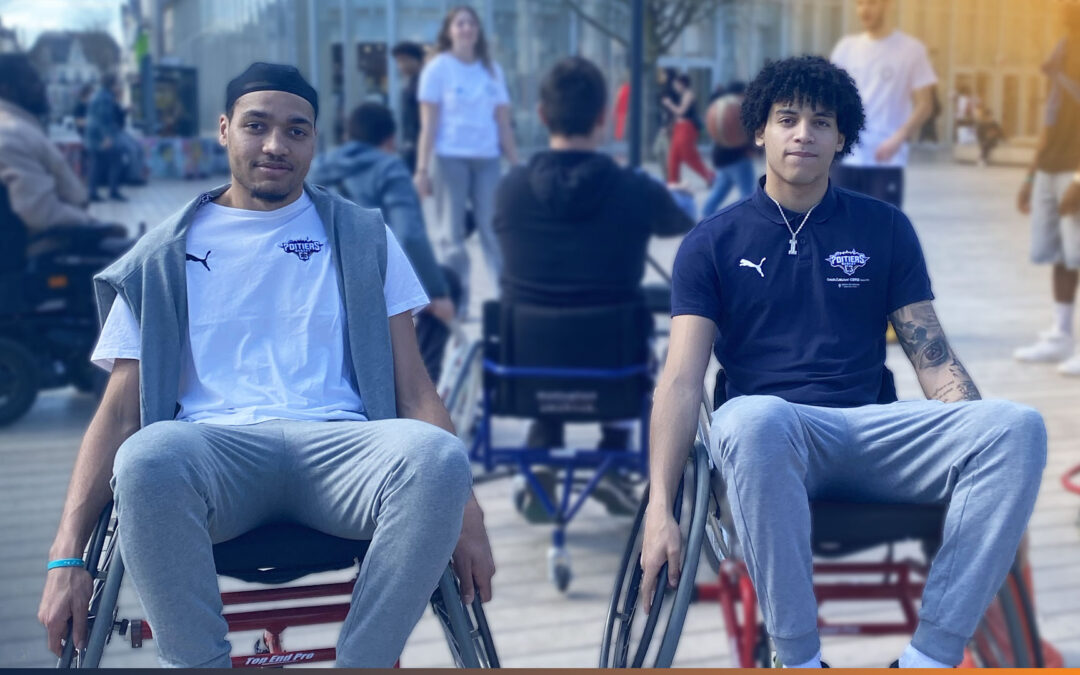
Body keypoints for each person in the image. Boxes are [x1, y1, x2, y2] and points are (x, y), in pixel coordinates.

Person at [37, 62, 495, 668]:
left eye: (296, 131)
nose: (276, 144)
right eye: (257, 126)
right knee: (145, 457)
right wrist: (67, 556)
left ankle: (364, 663)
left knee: (438, 457)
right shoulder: (161, 258)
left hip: (342, 452)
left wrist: (467, 512)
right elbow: (119, 414)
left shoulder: (363, 237)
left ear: (314, 141)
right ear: (224, 130)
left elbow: (414, 392)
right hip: (214, 455)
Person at [641, 56, 1046, 669]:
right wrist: (659, 508)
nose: (803, 133)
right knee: (751, 418)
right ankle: (800, 660)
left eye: (821, 122)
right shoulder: (712, 243)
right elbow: (679, 381)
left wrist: (969, 438)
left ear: (841, 138)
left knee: (1018, 427)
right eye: (787, 119)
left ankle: (929, 657)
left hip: (870, 431)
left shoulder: (885, 228)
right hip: (772, 438)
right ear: (760, 131)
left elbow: (933, 359)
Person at [494, 56, 694, 517]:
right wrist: (676, 194)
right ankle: (612, 458)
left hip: (526, 373)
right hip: (613, 373)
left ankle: (542, 450)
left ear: (542, 115)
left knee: (545, 308)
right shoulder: (634, 189)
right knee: (626, 324)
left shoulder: (510, 190)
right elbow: (680, 221)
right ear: (603, 118)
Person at [308, 102, 457, 381]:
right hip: (368, 276)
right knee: (448, 281)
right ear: (390, 141)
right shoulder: (390, 168)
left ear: (347, 137)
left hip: (316, 273)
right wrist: (437, 293)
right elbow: (409, 234)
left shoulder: (318, 167)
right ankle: (419, 382)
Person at [414, 5, 519, 316]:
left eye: (471, 23)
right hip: (449, 158)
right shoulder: (437, 69)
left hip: (487, 159)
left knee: (493, 229)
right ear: (449, 31)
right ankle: (458, 300)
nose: (466, 28)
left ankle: (505, 298)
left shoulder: (492, 70)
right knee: (451, 235)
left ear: (478, 31)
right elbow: (428, 125)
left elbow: (503, 123)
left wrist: (516, 165)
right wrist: (422, 169)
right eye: (460, 24)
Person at [1014, 1, 1080, 376]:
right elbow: (1050, 120)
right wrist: (1029, 176)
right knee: (1060, 255)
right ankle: (1062, 335)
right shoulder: (1064, 48)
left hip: (1074, 168)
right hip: (1050, 166)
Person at [830, 0, 936, 208]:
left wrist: (898, 138)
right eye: (860, 4)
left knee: (883, 226)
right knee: (839, 225)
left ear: (888, 5)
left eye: (871, 3)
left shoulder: (911, 50)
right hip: (846, 159)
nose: (864, 10)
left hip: (886, 161)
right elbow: (831, 99)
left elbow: (925, 104)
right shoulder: (846, 48)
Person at [0, 54, 93, 235]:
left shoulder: (18, 128)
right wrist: (94, 225)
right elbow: (41, 213)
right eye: (33, 81)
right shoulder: (11, 134)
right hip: (55, 244)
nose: (42, 87)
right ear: (6, 90)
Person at [702, 81, 756, 216]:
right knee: (748, 195)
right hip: (738, 159)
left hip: (722, 159)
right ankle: (749, 221)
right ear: (739, 93)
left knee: (718, 194)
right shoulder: (735, 109)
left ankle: (705, 217)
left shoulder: (720, 107)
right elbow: (743, 133)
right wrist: (752, 148)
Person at [662, 73, 714, 186]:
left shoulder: (688, 95)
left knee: (688, 155)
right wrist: (669, 126)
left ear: (682, 84)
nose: (675, 87)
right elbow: (677, 116)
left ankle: (709, 176)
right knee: (673, 156)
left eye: (676, 84)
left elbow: (681, 111)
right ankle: (673, 181)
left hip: (687, 128)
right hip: (678, 127)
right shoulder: (681, 96)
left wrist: (669, 104)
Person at [85, 73, 126, 202]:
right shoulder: (105, 97)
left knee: (96, 163)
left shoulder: (99, 94)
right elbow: (104, 119)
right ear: (111, 84)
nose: (119, 86)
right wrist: (106, 137)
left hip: (93, 134)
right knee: (115, 159)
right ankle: (112, 191)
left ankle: (93, 192)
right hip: (100, 135)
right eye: (117, 83)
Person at [391, 41, 425, 174]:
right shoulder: (410, 82)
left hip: (419, 142)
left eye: (404, 60)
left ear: (417, 60)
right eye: (398, 61)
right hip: (411, 142)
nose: (401, 65)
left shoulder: (423, 82)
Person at [973, 102, 1004, 167]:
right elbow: (979, 135)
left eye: (990, 116)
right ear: (985, 116)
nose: (989, 118)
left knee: (987, 142)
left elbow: (1001, 133)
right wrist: (984, 138)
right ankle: (983, 159)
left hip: (993, 141)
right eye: (988, 116)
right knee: (985, 144)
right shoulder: (981, 124)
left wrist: (994, 134)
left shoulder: (994, 124)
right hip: (984, 141)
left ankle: (981, 159)